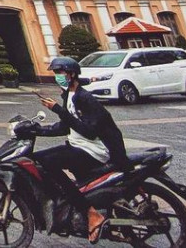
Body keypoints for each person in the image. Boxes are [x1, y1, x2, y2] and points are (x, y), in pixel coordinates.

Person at [34, 56, 130, 244]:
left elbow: (89, 131)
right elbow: (65, 127)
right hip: (78, 146)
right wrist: (36, 130)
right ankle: (68, 204)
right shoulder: (68, 94)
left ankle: (91, 213)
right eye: (55, 73)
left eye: (60, 72)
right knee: (36, 159)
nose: (57, 76)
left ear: (71, 74)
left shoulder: (85, 98)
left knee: (49, 162)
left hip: (93, 151)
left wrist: (58, 110)